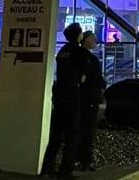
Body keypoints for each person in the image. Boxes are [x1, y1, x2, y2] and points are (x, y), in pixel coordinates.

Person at [42, 22, 87, 177]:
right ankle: (65, 170)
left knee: (56, 136)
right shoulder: (80, 52)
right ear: (77, 35)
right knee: (71, 137)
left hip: (60, 96)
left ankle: (47, 168)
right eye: (81, 32)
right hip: (72, 96)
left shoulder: (62, 51)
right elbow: (83, 76)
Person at [75, 31, 106, 171]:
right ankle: (86, 160)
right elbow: (96, 79)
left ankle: (77, 159)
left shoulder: (74, 55)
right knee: (88, 130)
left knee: (79, 128)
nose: (95, 40)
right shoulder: (90, 58)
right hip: (89, 98)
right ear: (85, 40)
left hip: (79, 98)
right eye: (92, 38)